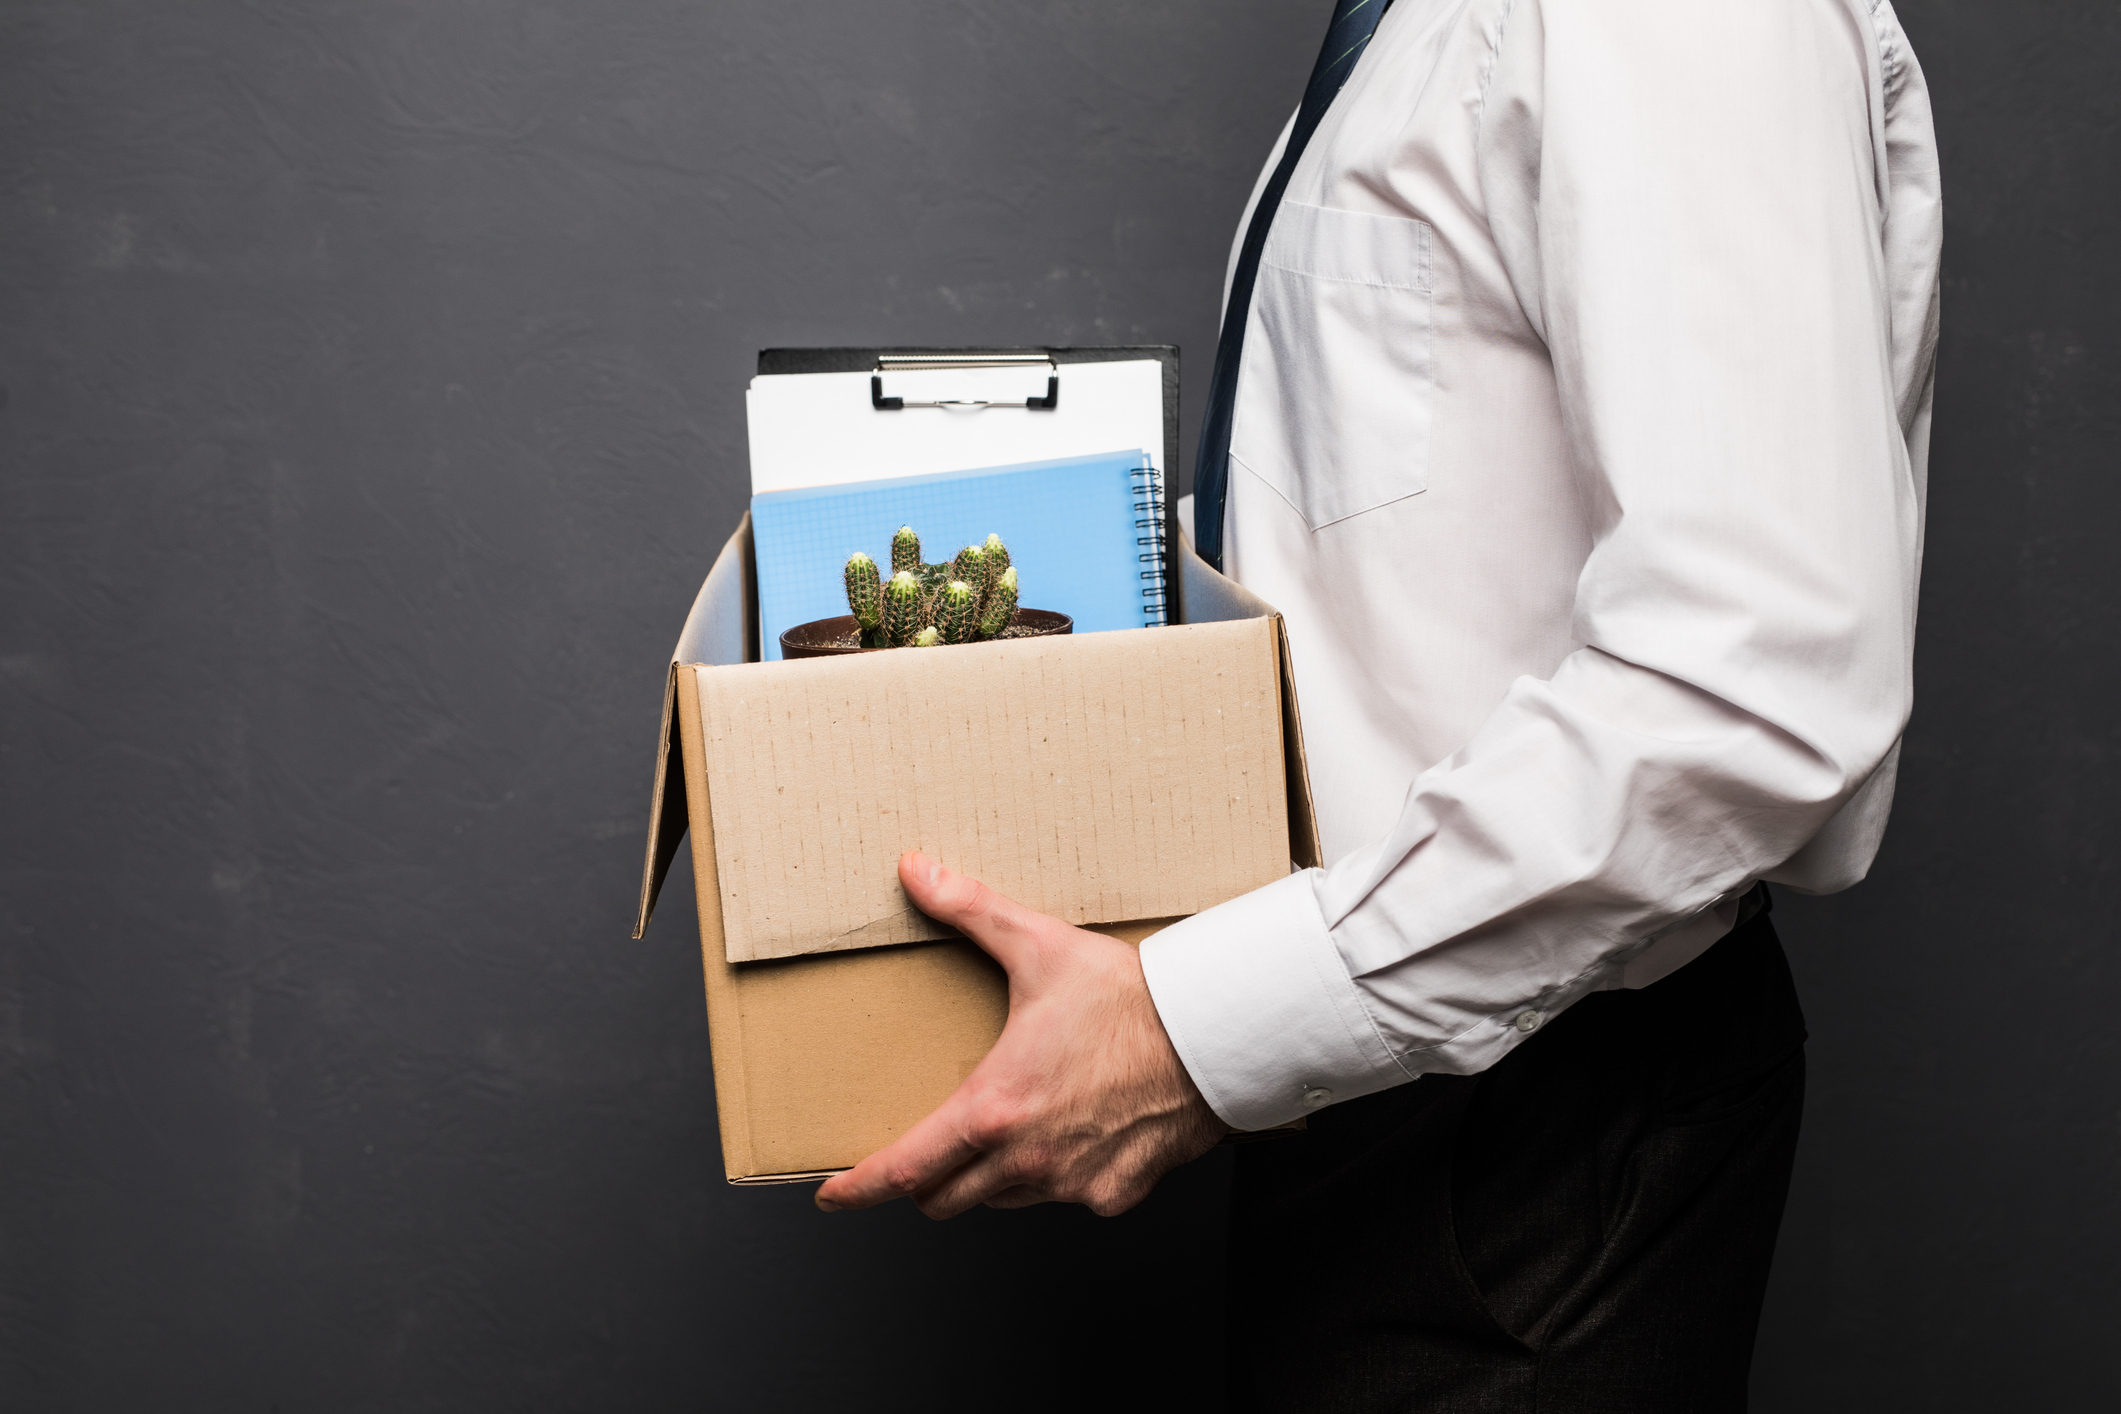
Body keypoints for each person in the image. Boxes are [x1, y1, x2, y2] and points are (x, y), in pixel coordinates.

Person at [817, 0, 1942, 1406]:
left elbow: (1752, 677)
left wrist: (1190, 1031)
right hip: (1366, 1061)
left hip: (1535, 1120)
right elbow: (1383, 535)